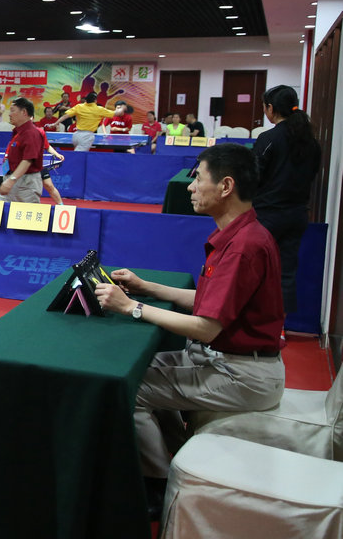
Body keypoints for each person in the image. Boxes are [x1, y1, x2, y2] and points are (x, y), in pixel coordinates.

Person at [94, 144, 286, 511]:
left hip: (243, 375)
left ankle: (158, 487)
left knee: (129, 388)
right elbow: (209, 301)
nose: (190, 186)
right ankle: (179, 456)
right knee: (141, 368)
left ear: (225, 186)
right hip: (236, 363)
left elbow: (205, 328)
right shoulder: (241, 235)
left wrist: (132, 307)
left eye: (198, 178)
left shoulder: (243, 247)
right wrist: (146, 287)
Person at [252, 85, 321, 314]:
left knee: (257, 269)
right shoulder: (311, 142)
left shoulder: (269, 138)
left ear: (271, 108)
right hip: (297, 215)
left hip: (268, 216)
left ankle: (255, 320)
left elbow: (254, 175)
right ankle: (279, 324)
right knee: (286, 271)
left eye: (265, 107)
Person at [0, 97, 45, 203]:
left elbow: (28, 160)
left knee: (26, 213)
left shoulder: (32, 133)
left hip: (26, 186)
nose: (9, 114)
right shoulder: (17, 132)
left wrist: (11, 180)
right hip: (11, 180)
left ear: (24, 112)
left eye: (12, 110)